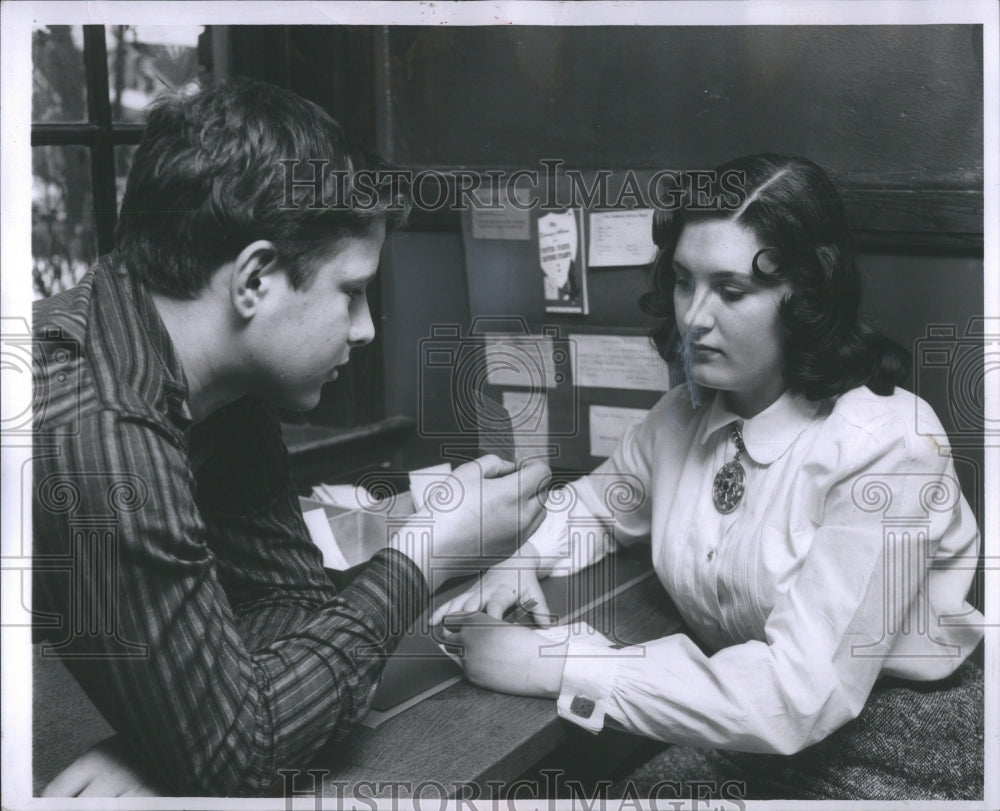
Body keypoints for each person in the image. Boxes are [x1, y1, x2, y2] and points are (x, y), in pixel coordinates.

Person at [31, 79, 549, 797]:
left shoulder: (218, 384)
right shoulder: (98, 424)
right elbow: (242, 750)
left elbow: (291, 606)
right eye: (351, 291)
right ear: (254, 279)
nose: (366, 328)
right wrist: (426, 550)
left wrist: (166, 734)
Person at [435, 154, 985, 800]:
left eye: (730, 290)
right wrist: (521, 558)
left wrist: (551, 661)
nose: (694, 317)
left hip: (900, 741)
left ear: (805, 296)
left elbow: (797, 696)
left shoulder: (890, 445)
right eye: (684, 281)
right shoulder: (680, 419)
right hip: (741, 729)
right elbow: (593, 506)